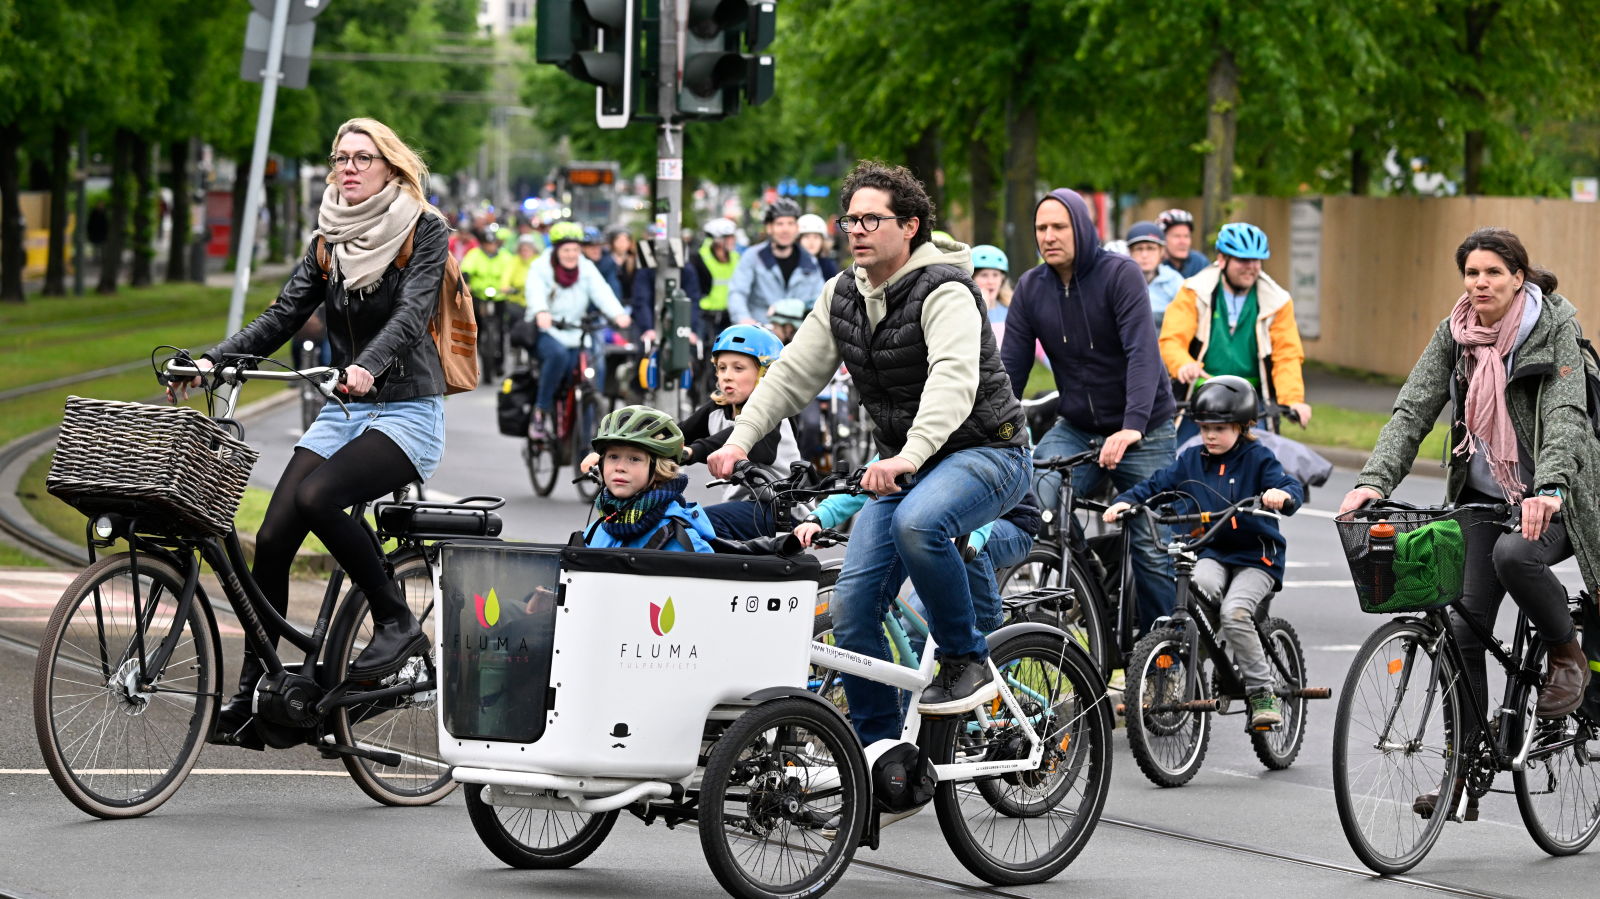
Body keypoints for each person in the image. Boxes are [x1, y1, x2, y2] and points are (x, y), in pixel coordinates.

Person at [707, 161, 1031, 739]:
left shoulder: (947, 290)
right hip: (905, 466)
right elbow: (788, 377)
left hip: (988, 452)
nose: (855, 229)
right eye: (849, 219)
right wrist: (739, 439)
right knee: (853, 611)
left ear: (909, 226)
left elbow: (953, 380)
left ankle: (967, 658)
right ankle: (879, 753)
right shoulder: (841, 295)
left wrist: (909, 454)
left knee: (918, 523)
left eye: (870, 219)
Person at [178, 118, 452, 746]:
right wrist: (214, 360)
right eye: (340, 158)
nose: (348, 169)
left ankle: (395, 619)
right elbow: (283, 314)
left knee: (317, 497)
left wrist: (367, 366)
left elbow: (413, 315)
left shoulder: (424, 229)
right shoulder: (330, 237)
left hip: (407, 410)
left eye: (362, 158)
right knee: (272, 537)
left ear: (391, 166)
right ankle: (256, 688)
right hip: (345, 410)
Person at [1338, 227, 1600, 820]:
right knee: (1461, 624)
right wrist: (1373, 482)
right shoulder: (1456, 333)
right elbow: (1413, 407)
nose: (1479, 283)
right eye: (1471, 273)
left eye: (1492, 273)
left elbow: (1564, 416)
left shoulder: (1553, 327)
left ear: (1518, 277)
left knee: (1517, 556)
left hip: (1554, 498)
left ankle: (1565, 654)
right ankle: (1465, 764)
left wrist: (1551, 487)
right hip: (1483, 496)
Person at [1002, 187, 1178, 633]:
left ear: (1081, 227)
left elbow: (1143, 353)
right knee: (1035, 501)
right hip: (1078, 426)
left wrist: (1132, 426)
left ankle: (1165, 654)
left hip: (1144, 428)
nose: (1048, 236)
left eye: (1058, 226)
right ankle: (1091, 583)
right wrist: (989, 430)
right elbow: (1008, 373)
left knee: (1154, 550)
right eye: (1041, 228)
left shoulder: (1121, 275)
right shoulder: (1030, 288)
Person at [1104, 376, 1303, 727]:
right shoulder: (1192, 460)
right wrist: (1125, 501)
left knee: (1235, 612)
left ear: (1243, 427)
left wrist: (1281, 497)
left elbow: (1289, 485)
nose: (1210, 435)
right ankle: (1195, 668)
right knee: (1195, 594)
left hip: (1256, 558)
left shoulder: (1258, 458)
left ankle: (1261, 690)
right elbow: (1157, 485)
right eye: (1204, 427)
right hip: (1213, 551)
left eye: (1220, 428)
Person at [1159, 222, 1311, 442]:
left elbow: (1287, 355)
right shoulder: (1194, 291)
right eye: (1242, 259)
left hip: (1251, 398)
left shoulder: (1278, 301)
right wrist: (1182, 363)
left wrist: (1293, 399)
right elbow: (1172, 339)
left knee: (1265, 463)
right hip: (1202, 394)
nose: (1251, 267)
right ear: (1222, 259)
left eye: (1256, 260)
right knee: (1182, 458)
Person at [677, 325, 806, 541]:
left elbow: (730, 438)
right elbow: (678, 432)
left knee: (704, 523)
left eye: (738, 368)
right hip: (744, 509)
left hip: (782, 511)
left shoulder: (773, 415)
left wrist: (691, 452)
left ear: (765, 373)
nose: (726, 377)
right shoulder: (717, 409)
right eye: (721, 368)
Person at [523, 221, 632, 439]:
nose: (572, 254)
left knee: (590, 366)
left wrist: (618, 314)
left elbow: (601, 291)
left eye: (575, 249)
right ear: (556, 250)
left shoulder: (586, 267)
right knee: (558, 356)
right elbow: (535, 291)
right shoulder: (541, 267)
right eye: (566, 250)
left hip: (575, 331)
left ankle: (586, 427)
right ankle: (541, 413)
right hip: (548, 331)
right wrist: (541, 311)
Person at [581, 406, 716, 553]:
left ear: (659, 470)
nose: (620, 467)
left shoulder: (683, 539)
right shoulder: (594, 531)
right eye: (613, 456)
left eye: (634, 459)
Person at [726, 198, 827, 326]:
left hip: (797, 337)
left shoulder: (809, 261)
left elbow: (818, 301)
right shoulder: (753, 256)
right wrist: (744, 319)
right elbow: (737, 293)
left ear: (797, 228)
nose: (785, 229)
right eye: (780, 224)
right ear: (769, 228)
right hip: (761, 335)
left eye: (790, 224)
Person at [1126, 221, 1183, 329]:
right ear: (1129, 252)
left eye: (1151, 248)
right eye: (1139, 249)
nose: (1144, 255)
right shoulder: (1120, 282)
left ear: (1162, 251)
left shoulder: (1175, 282)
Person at [691, 217, 741, 342]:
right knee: (699, 350)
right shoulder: (699, 258)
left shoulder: (736, 258)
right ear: (718, 239)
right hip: (704, 315)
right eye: (729, 237)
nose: (733, 241)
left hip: (728, 316)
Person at [1157, 208, 1208, 278]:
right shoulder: (1154, 265)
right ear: (1163, 239)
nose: (1183, 242)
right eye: (1177, 236)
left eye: (1186, 236)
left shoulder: (1200, 263)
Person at [499, 232, 541, 306]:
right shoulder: (515, 260)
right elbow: (507, 273)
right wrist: (505, 285)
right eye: (522, 250)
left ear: (534, 250)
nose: (525, 252)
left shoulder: (538, 261)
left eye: (527, 250)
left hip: (534, 299)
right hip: (516, 298)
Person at [798, 213, 839, 279]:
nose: (811, 241)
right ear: (798, 240)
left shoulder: (828, 266)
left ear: (822, 241)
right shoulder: (791, 264)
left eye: (816, 237)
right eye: (806, 236)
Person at [606, 228, 638, 307]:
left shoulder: (633, 260)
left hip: (628, 302)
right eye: (619, 240)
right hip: (610, 301)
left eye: (625, 241)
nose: (622, 244)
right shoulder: (606, 260)